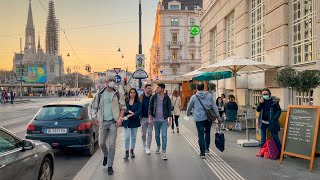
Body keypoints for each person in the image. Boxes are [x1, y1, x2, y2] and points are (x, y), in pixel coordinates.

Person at [91, 75, 126, 175]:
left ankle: (110, 165)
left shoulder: (118, 93)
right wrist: (94, 118)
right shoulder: (100, 94)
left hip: (113, 123)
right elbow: (94, 107)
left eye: (113, 80)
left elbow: (123, 107)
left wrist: (120, 118)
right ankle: (105, 155)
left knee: (112, 145)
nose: (111, 82)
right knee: (101, 143)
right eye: (110, 80)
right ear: (105, 82)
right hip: (103, 122)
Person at [187, 82, 221, 159]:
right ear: (204, 87)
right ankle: (207, 149)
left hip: (199, 119)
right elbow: (214, 107)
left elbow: (189, 107)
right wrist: (218, 117)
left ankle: (202, 153)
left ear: (196, 88)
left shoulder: (194, 97)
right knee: (207, 133)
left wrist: (188, 114)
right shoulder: (209, 96)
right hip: (208, 118)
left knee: (201, 135)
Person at [148, 83, 172, 160]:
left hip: (164, 120)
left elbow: (169, 109)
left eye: (158, 88)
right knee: (157, 135)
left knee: (164, 135)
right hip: (156, 120)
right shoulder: (153, 97)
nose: (157, 89)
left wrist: (170, 120)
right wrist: (150, 118)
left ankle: (164, 152)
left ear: (162, 89)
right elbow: (150, 108)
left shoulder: (167, 98)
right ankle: (158, 145)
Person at [256, 88, 282, 152]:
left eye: (266, 94)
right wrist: (260, 103)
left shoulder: (274, 101)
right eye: (263, 94)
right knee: (263, 138)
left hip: (272, 122)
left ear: (269, 94)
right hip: (263, 122)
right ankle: (261, 151)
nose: (265, 95)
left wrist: (275, 118)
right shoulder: (262, 101)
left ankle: (281, 152)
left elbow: (279, 110)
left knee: (275, 137)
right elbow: (258, 109)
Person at [122, 88, 142, 160]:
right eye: (131, 92)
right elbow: (123, 110)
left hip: (135, 121)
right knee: (126, 137)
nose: (132, 94)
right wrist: (128, 111)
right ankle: (126, 151)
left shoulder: (138, 102)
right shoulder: (125, 101)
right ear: (129, 93)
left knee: (133, 138)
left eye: (134, 92)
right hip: (126, 121)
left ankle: (132, 150)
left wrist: (132, 114)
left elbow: (139, 111)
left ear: (136, 93)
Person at [139, 84, 153, 155]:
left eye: (150, 88)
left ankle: (148, 147)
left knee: (150, 133)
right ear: (145, 89)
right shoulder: (141, 97)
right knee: (143, 134)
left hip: (151, 118)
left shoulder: (153, 97)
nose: (150, 89)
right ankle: (144, 144)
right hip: (143, 118)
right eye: (148, 88)